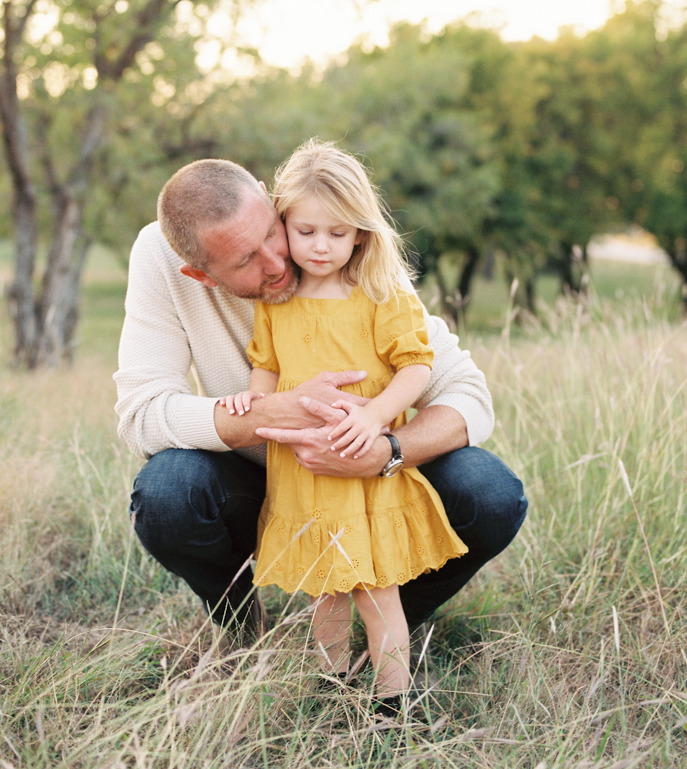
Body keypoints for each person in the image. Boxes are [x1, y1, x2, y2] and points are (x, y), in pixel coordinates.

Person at [114, 153, 527, 650]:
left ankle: (381, 630)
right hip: (263, 479)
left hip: (374, 478)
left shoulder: (333, 238)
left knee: (490, 492)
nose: (278, 261)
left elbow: (469, 396)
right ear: (201, 275)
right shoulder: (161, 259)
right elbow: (141, 413)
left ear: (271, 200)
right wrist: (267, 414)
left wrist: (386, 451)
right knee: (166, 494)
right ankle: (247, 630)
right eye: (247, 261)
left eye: (272, 233)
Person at [220, 140, 468, 707]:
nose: (321, 246)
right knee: (325, 592)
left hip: (363, 468)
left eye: (337, 232)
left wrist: (377, 417)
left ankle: (392, 703)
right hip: (304, 473)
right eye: (306, 231)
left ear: (361, 231)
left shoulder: (381, 293)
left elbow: (415, 366)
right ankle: (331, 688)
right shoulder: (277, 302)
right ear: (283, 224)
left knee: (378, 594)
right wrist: (251, 405)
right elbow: (267, 364)